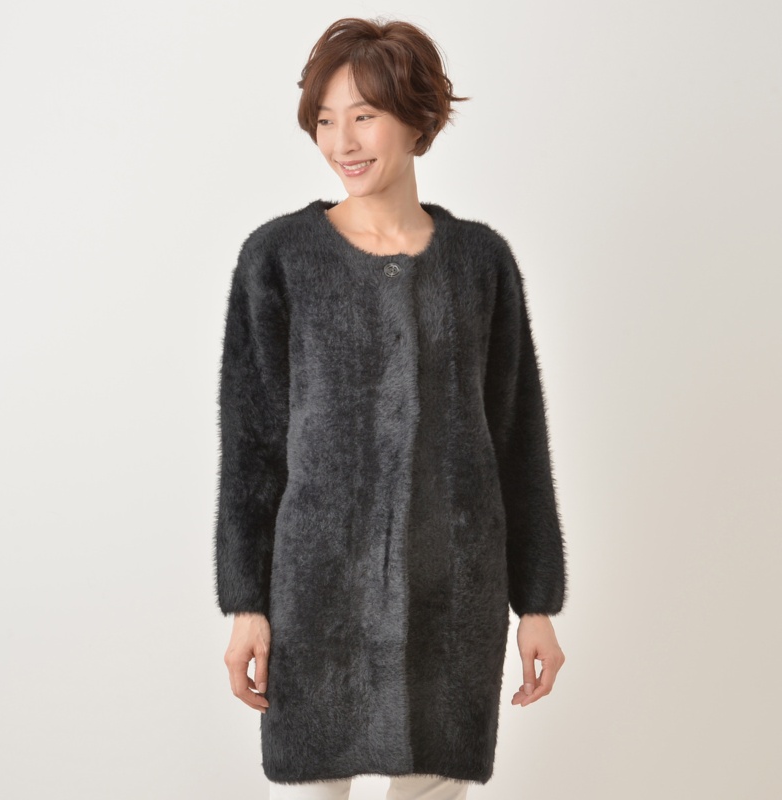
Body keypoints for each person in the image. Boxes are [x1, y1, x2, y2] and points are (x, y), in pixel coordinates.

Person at [214, 16, 567, 800]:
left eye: (364, 115)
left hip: (455, 591)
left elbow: (517, 439)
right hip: (314, 594)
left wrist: (537, 603)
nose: (342, 141)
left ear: (416, 117)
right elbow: (252, 446)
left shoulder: (480, 262)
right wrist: (247, 603)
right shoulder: (278, 259)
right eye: (324, 120)